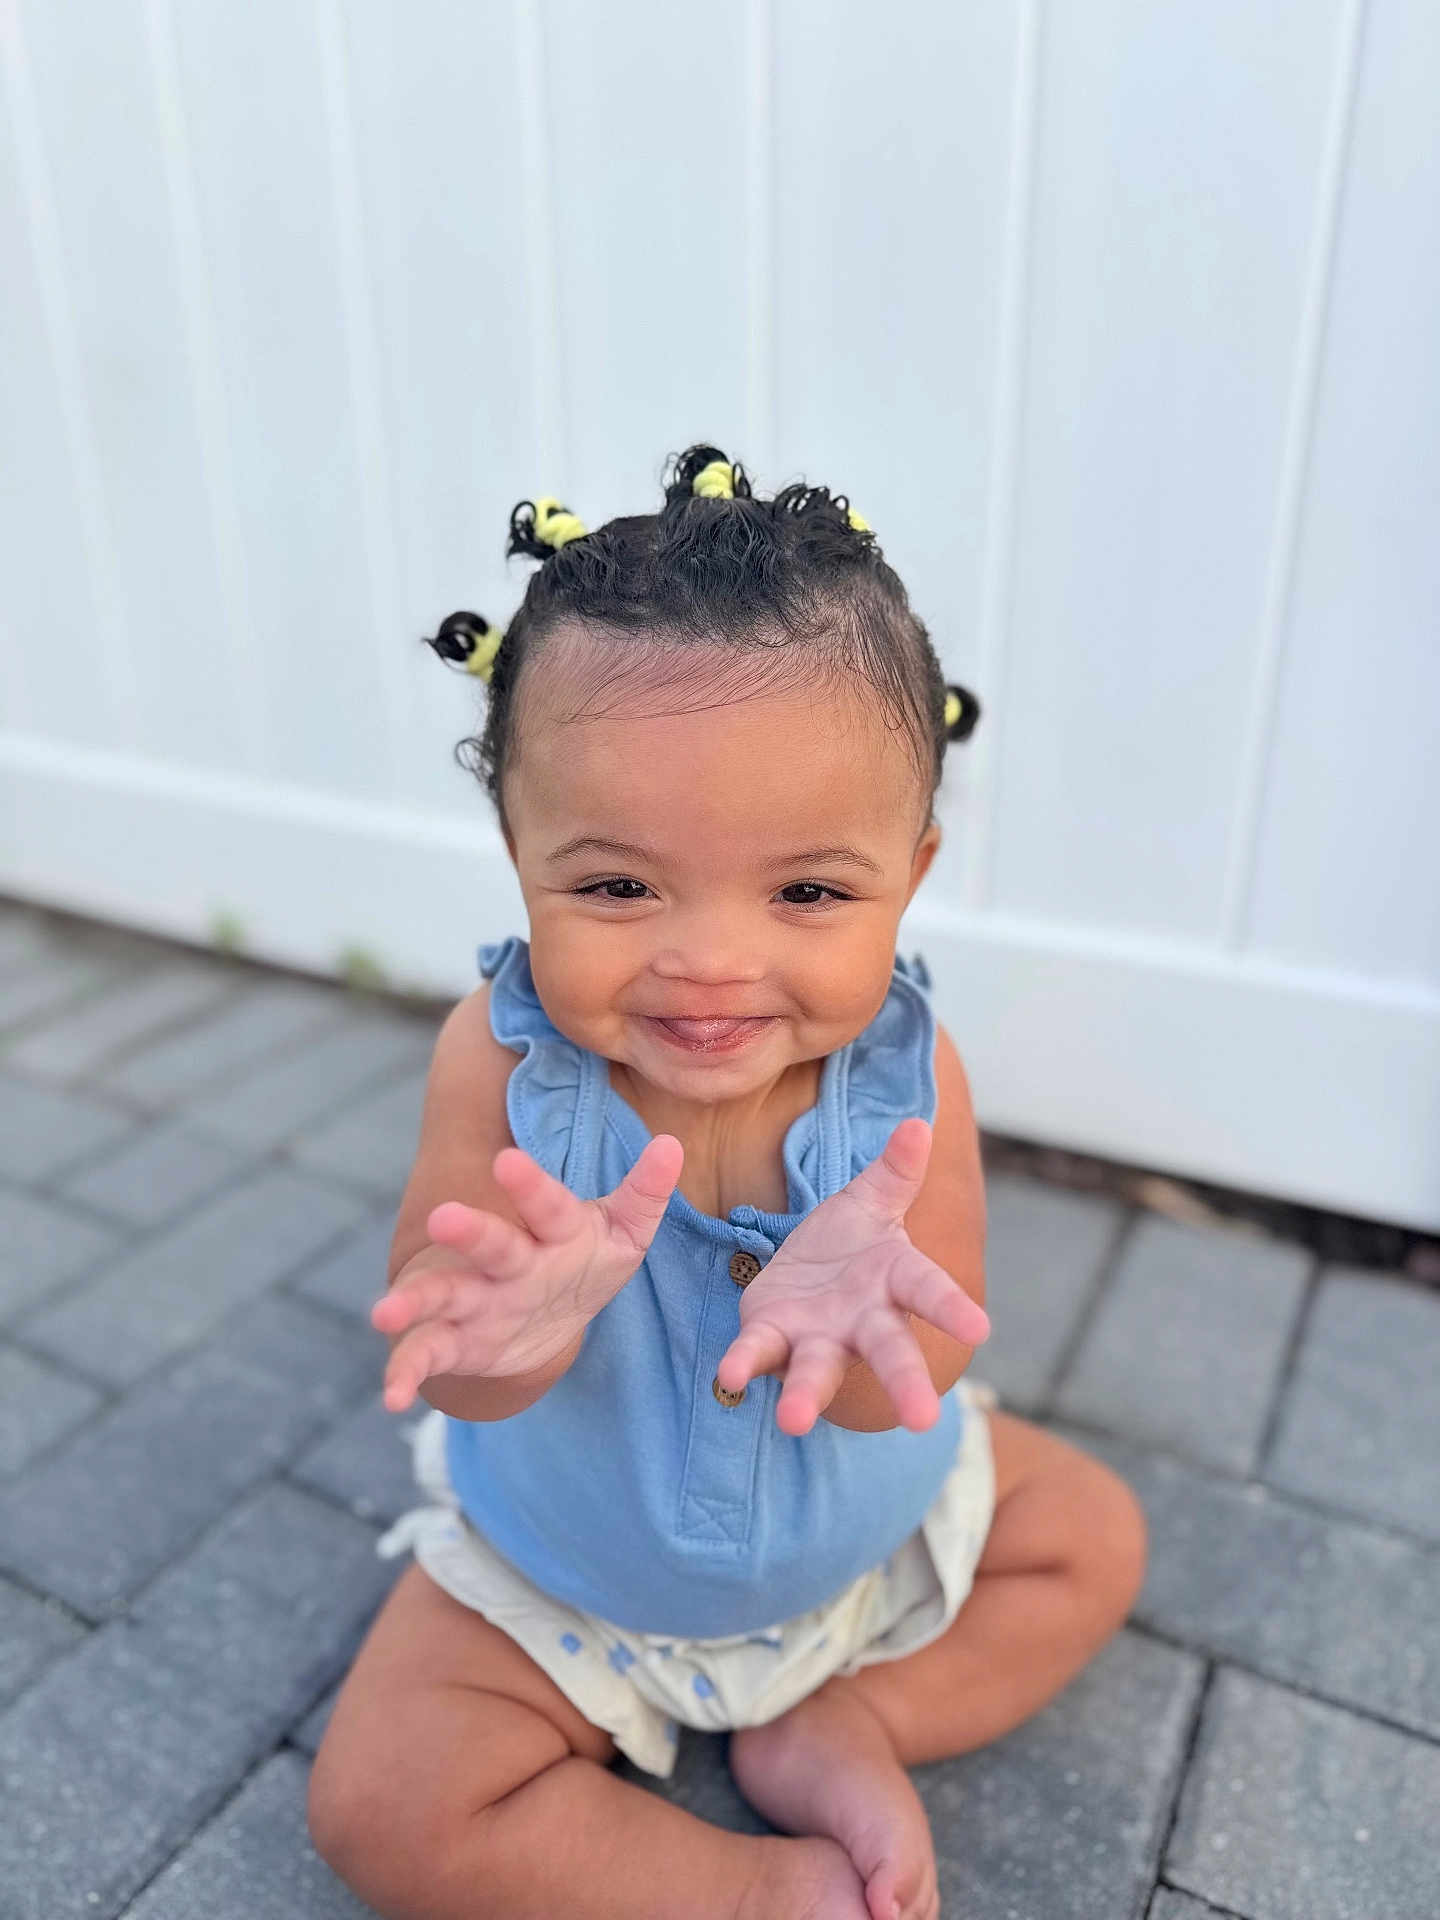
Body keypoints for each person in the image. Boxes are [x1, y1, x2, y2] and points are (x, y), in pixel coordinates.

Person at [307, 447, 1147, 1920]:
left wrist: (867, 1331)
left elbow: (919, 1367)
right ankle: (748, 1894)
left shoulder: (910, 1080)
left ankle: (851, 1716)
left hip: (864, 1536)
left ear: (911, 871)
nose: (708, 960)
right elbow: (451, 1346)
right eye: (616, 886)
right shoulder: (497, 1062)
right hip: (571, 1573)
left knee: (1090, 1538)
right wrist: (512, 1336)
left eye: (807, 891)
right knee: (382, 1807)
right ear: (517, 851)